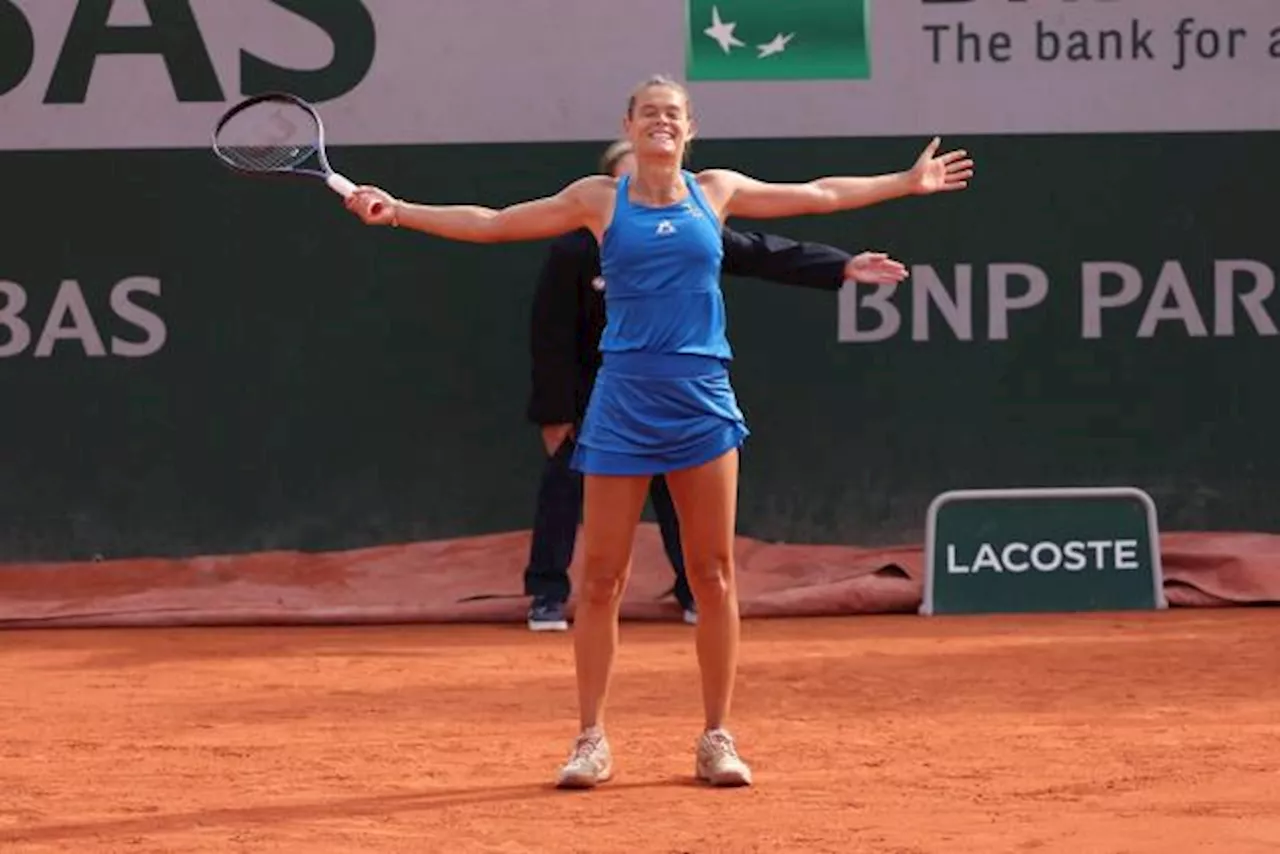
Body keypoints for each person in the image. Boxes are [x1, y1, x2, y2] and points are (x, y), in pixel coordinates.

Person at [342, 74, 973, 790]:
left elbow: (820, 193)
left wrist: (907, 182)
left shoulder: (717, 189)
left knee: (714, 575)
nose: (661, 124)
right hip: (622, 404)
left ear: (690, 127)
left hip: (702, 399)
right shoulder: (597, 201)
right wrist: (398, 211)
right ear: (630, 125)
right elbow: (492, 222)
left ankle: (717, 738)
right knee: (603, 579)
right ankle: (590, 741)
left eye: (672, 114)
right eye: (649, 114)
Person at [524, 138, 870, 633]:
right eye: (630, 177)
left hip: (681, 399)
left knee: (683, 506)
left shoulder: (691, 232)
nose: (646, 187)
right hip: (596, 403)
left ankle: (692, 592)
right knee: (565, 499)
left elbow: (771, 249)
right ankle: (546, 595)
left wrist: (840, 265)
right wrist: (556, 411)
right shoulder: (574, 248)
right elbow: (549, 333)